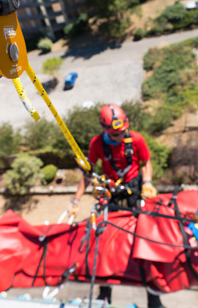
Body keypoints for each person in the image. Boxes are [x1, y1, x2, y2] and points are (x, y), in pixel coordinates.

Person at [71, 103, 163, 308]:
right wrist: (75, 200)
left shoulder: (136, 139)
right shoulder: (97, 144)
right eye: (115, 135)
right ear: (105, 130)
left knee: (144, 234)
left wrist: (148, 183)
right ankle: (105, 293)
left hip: (134, 187)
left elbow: (146, 162)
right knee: (104, 237)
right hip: (112, 190)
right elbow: (88, 173)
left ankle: (153, 297)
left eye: (122, 133)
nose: (120, 137)